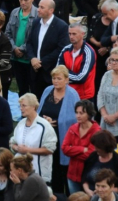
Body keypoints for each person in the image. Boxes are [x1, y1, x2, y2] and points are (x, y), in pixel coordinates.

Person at [36, 65, 79, 193]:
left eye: (59, 78)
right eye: (54, 78)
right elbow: (39, 110)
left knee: (63, 168)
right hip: (47, 136)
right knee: (51, 165)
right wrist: (44, 121)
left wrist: (56, 122)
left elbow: (75, 117)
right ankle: (53, 193)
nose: (56, 81)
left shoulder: (72, 94)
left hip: (64, 136)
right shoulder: (48, 90)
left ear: (67, 80)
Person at [26, 0, 69, 97]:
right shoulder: (36, 23)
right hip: (34, 71)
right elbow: (29, 43)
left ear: (51, 10)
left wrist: (40, 62)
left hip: (50, 72)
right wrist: (32, 58)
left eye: (42, 7)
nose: (38, 9)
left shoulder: (61, 26)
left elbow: (61, 49)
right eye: (39, 6)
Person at [9, 93, 57, 183]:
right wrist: (16, 148)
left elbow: (50, 149)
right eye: (20, 106)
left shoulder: (44, 126)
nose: (20, 108)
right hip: (19, 173)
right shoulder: (21, 123)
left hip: (38, 174)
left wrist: (27, 150)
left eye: (24, 106)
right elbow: (12, 142)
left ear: (33, 107)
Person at [62, 100, 101, 194]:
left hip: (88, 177)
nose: (78, 116)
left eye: (81, 113)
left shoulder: (97, 131)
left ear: (89, 114)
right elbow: (64, 149)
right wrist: (82, 149)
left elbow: (90, 155)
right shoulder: (73, 128)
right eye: (76, 112)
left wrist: (72, 150)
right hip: (72, 175)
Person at [81, 130, 118, 197]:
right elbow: (84, 177)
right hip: (88, 195)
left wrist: (100, 191)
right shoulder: (93, 156)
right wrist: (87, 190)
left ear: (105, 147)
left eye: (97, 147)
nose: (95, 149)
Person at [57, 23, 96, 100]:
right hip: (66, 93)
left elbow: (81, 78)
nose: (71, 37)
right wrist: (64, 75)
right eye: (69, 34)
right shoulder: (65, 49)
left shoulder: (88, 52)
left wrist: (64, 75)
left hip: (84, 96)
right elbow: (57, 72)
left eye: (74, 34)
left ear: (83, 34)